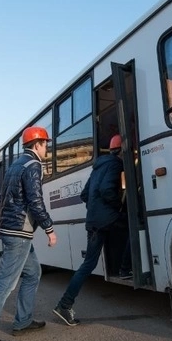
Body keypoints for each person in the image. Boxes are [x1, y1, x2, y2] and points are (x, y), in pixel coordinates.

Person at [0, 126, 57, 341]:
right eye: (45, 143)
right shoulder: (34, 165)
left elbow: (2, 198)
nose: (47, 147)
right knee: (5, 283)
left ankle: (23, 320)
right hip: (19, 232)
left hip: (11, 229)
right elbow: (35, 200)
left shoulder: (15, 165)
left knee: (33, 273)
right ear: (37, 145)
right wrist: (49, 228)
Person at [52, 134, 131, 327]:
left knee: (88, 264)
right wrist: (117, 206)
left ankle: (65, 304)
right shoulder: (115, 165)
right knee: (132, 229)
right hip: (107, 219)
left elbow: (85, 194)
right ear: (121, 150)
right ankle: (125, 269)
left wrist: (97, 211)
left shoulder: (97, 167)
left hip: (94, 222)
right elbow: (106, 190)